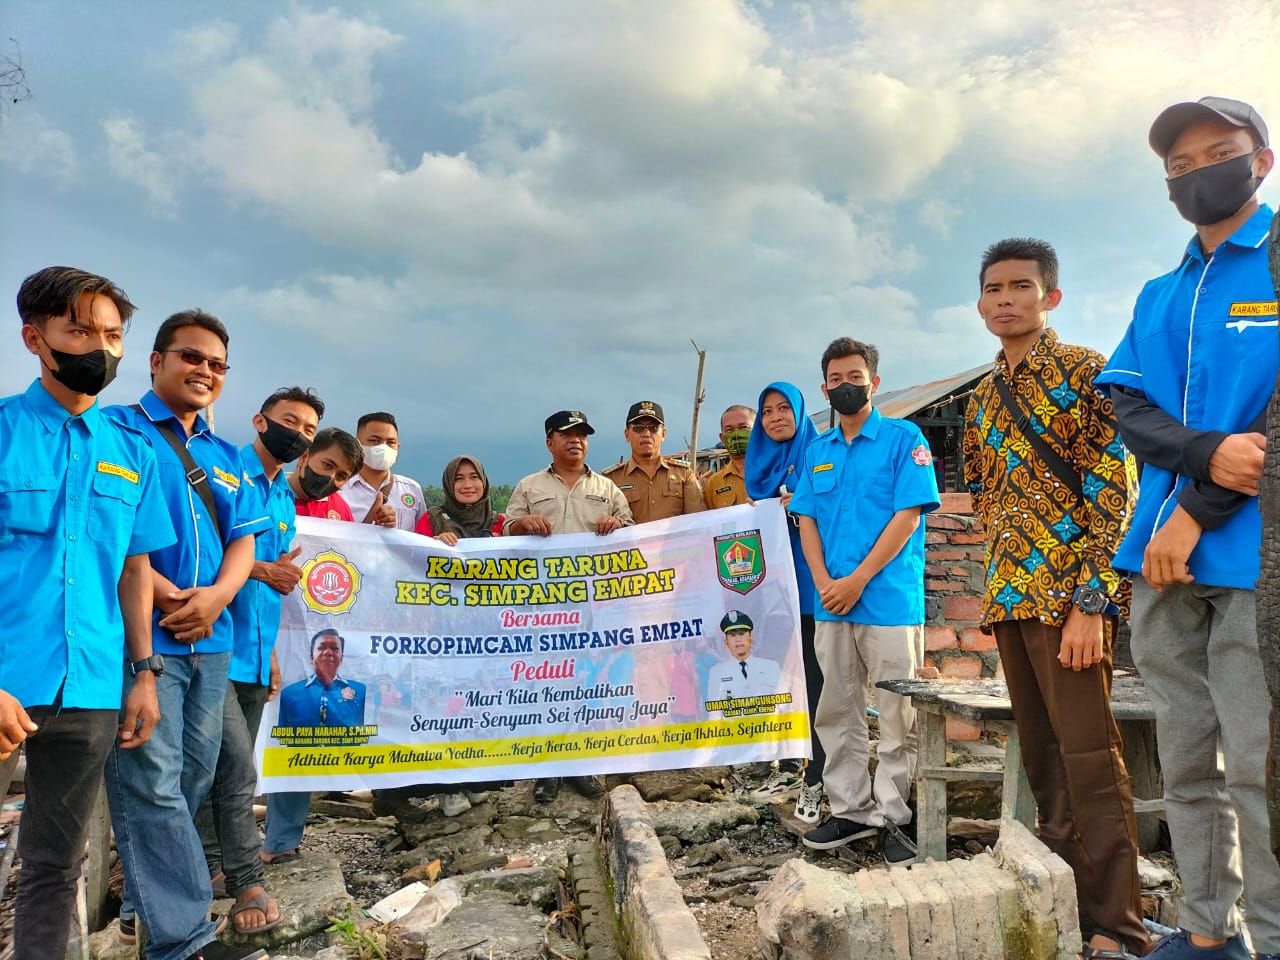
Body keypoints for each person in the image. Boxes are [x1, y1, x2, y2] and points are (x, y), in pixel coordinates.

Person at [1096, 96, 1279, 960]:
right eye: (1178, 164)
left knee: (1259, 763)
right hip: (1160, 558)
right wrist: (1206, 457)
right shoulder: (1159, 291)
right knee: (1189, 757)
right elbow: (1126, 401)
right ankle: (1208, 933)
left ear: (1262, 160)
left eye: (1219, 152)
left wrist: (1200, 509)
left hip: (1255, 557)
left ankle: (1271, 937)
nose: (1197, 171)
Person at [964, 238, 1148, 959]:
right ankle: (1066, 908)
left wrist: (1091, 602)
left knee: (1090, 761)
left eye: (1021, 286)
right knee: (1044, 762)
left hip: (1070, 603)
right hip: (1011, 597)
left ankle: (1120, 928)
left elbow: (1115, 493)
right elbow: (985, 492)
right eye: (993, 288)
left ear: (1051, 297)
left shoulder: (1085, 372)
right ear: (980, 304)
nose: (1005, 298)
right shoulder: (982, 395)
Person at [0, 267, 175, 960]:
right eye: (78, 330)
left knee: (54, 865)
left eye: (111, 334)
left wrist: (144, 673)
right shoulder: (5, 432)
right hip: (8, 680)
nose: (97, 347)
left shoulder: (132, 451)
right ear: (34, 339)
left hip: (94, 686)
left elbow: (134, 569)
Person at [105, 309, 271, 960]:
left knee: (192, 779)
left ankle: (143, 900)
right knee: (152, 779)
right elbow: (115, 529)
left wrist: (219, 596)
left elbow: (244, 540)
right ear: (156, 361)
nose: (204, 371)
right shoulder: (117, 431)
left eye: (217, 365)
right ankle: (182, 940)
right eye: (191, 357)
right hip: (145, 639)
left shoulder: (226, 457)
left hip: (213, 641)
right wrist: (170, 596)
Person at [789, 337, 939, 865]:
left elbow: (908, 517)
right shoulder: (818, 451)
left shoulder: (904, 439)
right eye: (836, 379)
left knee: (898, 713)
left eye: (856, 377)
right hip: (831, 603)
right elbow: (805, 519)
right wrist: (826, 580)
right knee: (836, 709)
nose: (845, 386)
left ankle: (895, 816)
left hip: (888, 600)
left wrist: (858, 579)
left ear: (873, 383)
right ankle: (850, 811)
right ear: (824, 387)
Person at [196, 387, 323, 935]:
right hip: (210, 643)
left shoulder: (284, 500)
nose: (297, 434)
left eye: (309, 430)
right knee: (228, 766)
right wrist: (261, 571)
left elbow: (276, 575)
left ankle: (208, 869)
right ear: (261, 421)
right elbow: (206, 551)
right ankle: (242, 874)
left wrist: (270, 653)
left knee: (226, 767)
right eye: (290, 422)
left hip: (253, 650)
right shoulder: (225, 474)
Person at [505, 409, 634, 802]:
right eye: (566, 434)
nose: (575, 440)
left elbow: (631, 532)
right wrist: (523, 524)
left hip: (594, 606)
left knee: (587, 683)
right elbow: (507, 533)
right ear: (550, 442)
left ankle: (583, 766)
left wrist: (616, 526)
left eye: (581, 434)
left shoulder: (608, 488)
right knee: (547, 684)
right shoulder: (528, 486)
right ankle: (548, 770)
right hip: (543, 607)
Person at [261, 429, 362, 866]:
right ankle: (216, 854)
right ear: (304, 457)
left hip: (313, 637)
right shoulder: (270, 495)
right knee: (236, 744)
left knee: (296, 734)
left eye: (342, 476)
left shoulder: (337, 509)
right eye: (327, 467)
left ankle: (282, 840)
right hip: (262, 631)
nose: (332, 480)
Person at [745, 382, 825, 822]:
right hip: (769, 593)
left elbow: (838, 506)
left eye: (784, 409)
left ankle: (817, 773)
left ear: (799, 412)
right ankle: (778, 757)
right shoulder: (754, 467)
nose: (776, 417)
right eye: (768, 411)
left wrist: (806, 503)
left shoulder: (819, 455)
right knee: (771, 675)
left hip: (815, 591)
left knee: (816, 681)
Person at [602, 401, 705, 522]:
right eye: (638, 428)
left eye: (653, 428)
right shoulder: (610, 480)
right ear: (627, 434)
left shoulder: (683, 474)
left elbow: (698, 520)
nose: (646, 434)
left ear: (663, 434)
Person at [342, 412, 426, 529]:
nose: (383, 447)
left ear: (398, 447)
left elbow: (422, 535)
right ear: (358, 445)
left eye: (391, 442)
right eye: (375, 440)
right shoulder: (340, 489)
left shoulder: (412, 490)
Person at [276, 629, 367, 728]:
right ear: (311, 656)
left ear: (341, 658)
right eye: (321, 648)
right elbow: (282, 735)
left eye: (334, 648)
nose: (328, 652)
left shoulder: (360, 692)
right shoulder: (288, 694)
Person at [706, 611, 783, 701]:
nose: (738, 639)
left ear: (750, 638)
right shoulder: (717, 672)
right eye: (733, 635)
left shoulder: (771, 667)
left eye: (742, 634)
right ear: (726, 642)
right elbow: (714, 712)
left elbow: (783, 704)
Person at [289, 427, 361, 520]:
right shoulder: (270, 498)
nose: (331, 477)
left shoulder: (340, 509)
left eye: (341, 476)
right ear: (304, 457)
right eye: (327, 465)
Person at [704, 405, 755, 508]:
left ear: (758, 431)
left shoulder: (776, 472)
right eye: (729, 430)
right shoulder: (714, 483)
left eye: (743, 427)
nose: (736, 434)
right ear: (722, 438)